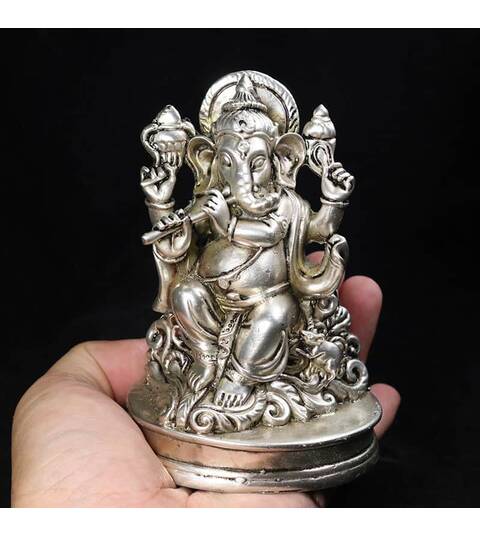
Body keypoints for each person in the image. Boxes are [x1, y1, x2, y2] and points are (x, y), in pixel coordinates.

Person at [11, 271, 400, 507]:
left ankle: (239, 378)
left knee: (274, 316)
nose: (246, 178)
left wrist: (332, 199)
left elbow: (314, 248)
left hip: (272, 304)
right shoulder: (217, 204)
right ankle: (210, 361)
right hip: (217, 306)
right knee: (184, 293)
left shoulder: (288, 207)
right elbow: (179, 246)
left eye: (257, 166)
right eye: (231, 167)